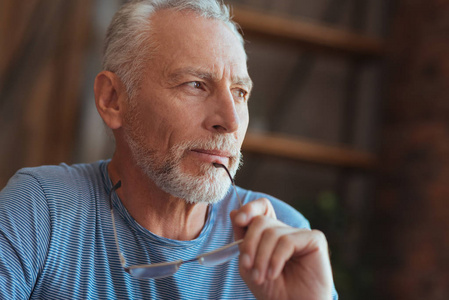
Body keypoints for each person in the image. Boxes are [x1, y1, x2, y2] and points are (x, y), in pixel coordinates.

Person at [0, 0, 338, 299]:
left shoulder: (283, 239)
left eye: (239, 92)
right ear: (113, 100)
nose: (231, 122)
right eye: (195, 84)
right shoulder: (42, 209)